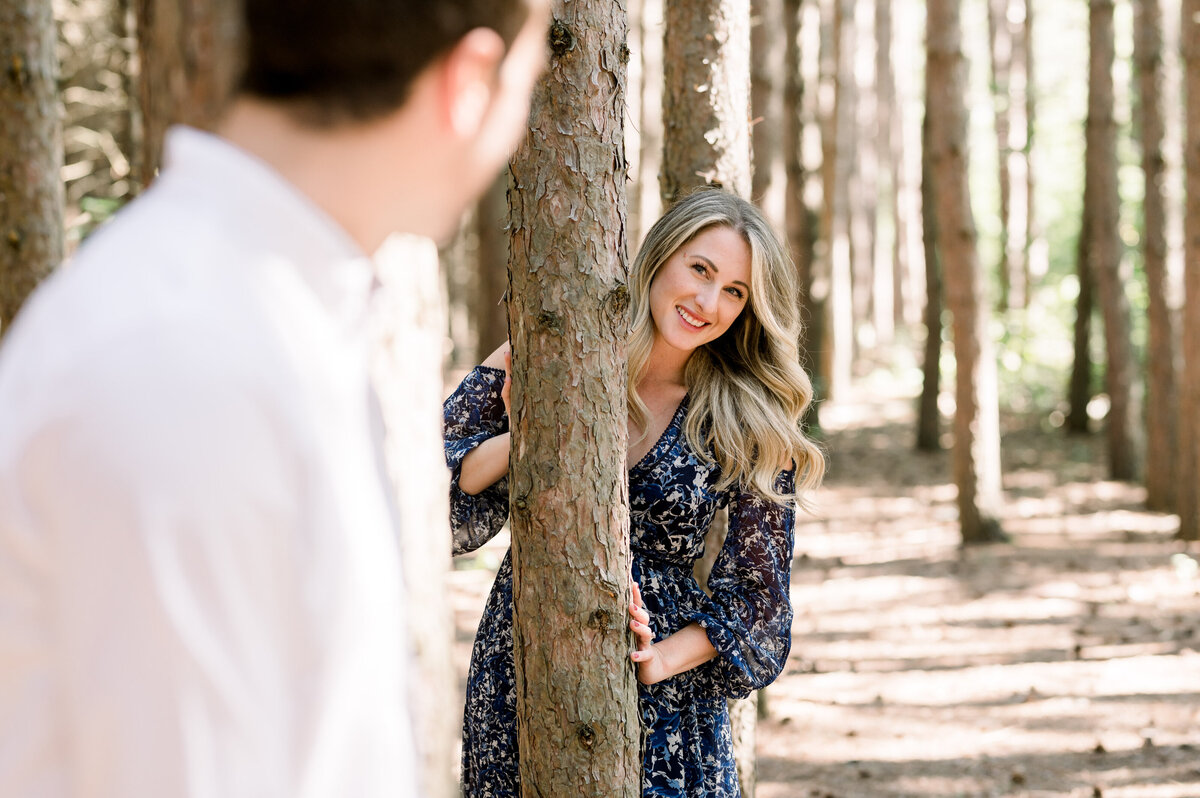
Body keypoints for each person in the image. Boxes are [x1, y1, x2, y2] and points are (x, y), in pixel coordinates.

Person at [0, 1, 549, 796]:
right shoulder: (191, 368)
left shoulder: (260, 316)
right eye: (525, 85)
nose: (520, 133)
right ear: (466, 85)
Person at [443, 187, 826, 797]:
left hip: (666, 703)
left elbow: (762, 609)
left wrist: (660, 660)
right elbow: (443, 487)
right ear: (660, 254)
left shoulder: (746, 416)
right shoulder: (545, 349)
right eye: (700, 269)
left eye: (735, 291)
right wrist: (534, 428)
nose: (708, 302)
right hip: (527, 646)